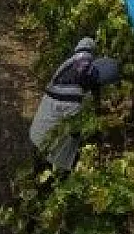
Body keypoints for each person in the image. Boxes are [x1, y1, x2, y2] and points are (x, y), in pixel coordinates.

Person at [29, 36, 121, 171]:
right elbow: (76, 131)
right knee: (46, 172)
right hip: (46, 141)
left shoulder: (74, 65)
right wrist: (98, 130)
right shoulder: (73, 99)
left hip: (39, 128)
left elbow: (85, 43)